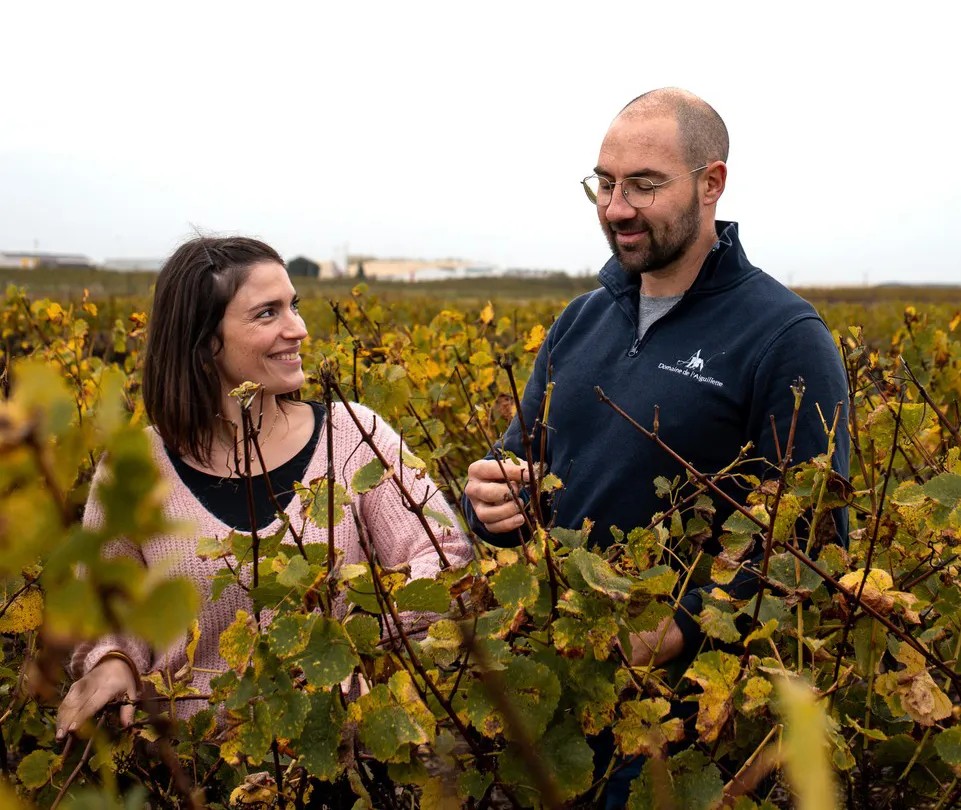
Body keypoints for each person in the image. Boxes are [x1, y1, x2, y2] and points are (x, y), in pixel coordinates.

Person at [462, 88, 849, 807]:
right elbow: (521, 466)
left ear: (711, 184)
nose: (615, 208)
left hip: (685, 735)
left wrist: (675, 630)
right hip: (557, 700)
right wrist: (484, 498)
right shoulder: (579, 320)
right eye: (603, 184)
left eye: (643, 184)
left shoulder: (786, 338)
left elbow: (810, 546)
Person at [57, 236, 472, 738]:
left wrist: (341, 654)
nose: (297, 328)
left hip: (347, 764)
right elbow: (104, 614)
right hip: (196, 769)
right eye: (267, 313)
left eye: (293, 306)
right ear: (205, 340)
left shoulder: (353, 435)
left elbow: (446, 560)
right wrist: (113, 661)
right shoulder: (131, 469)